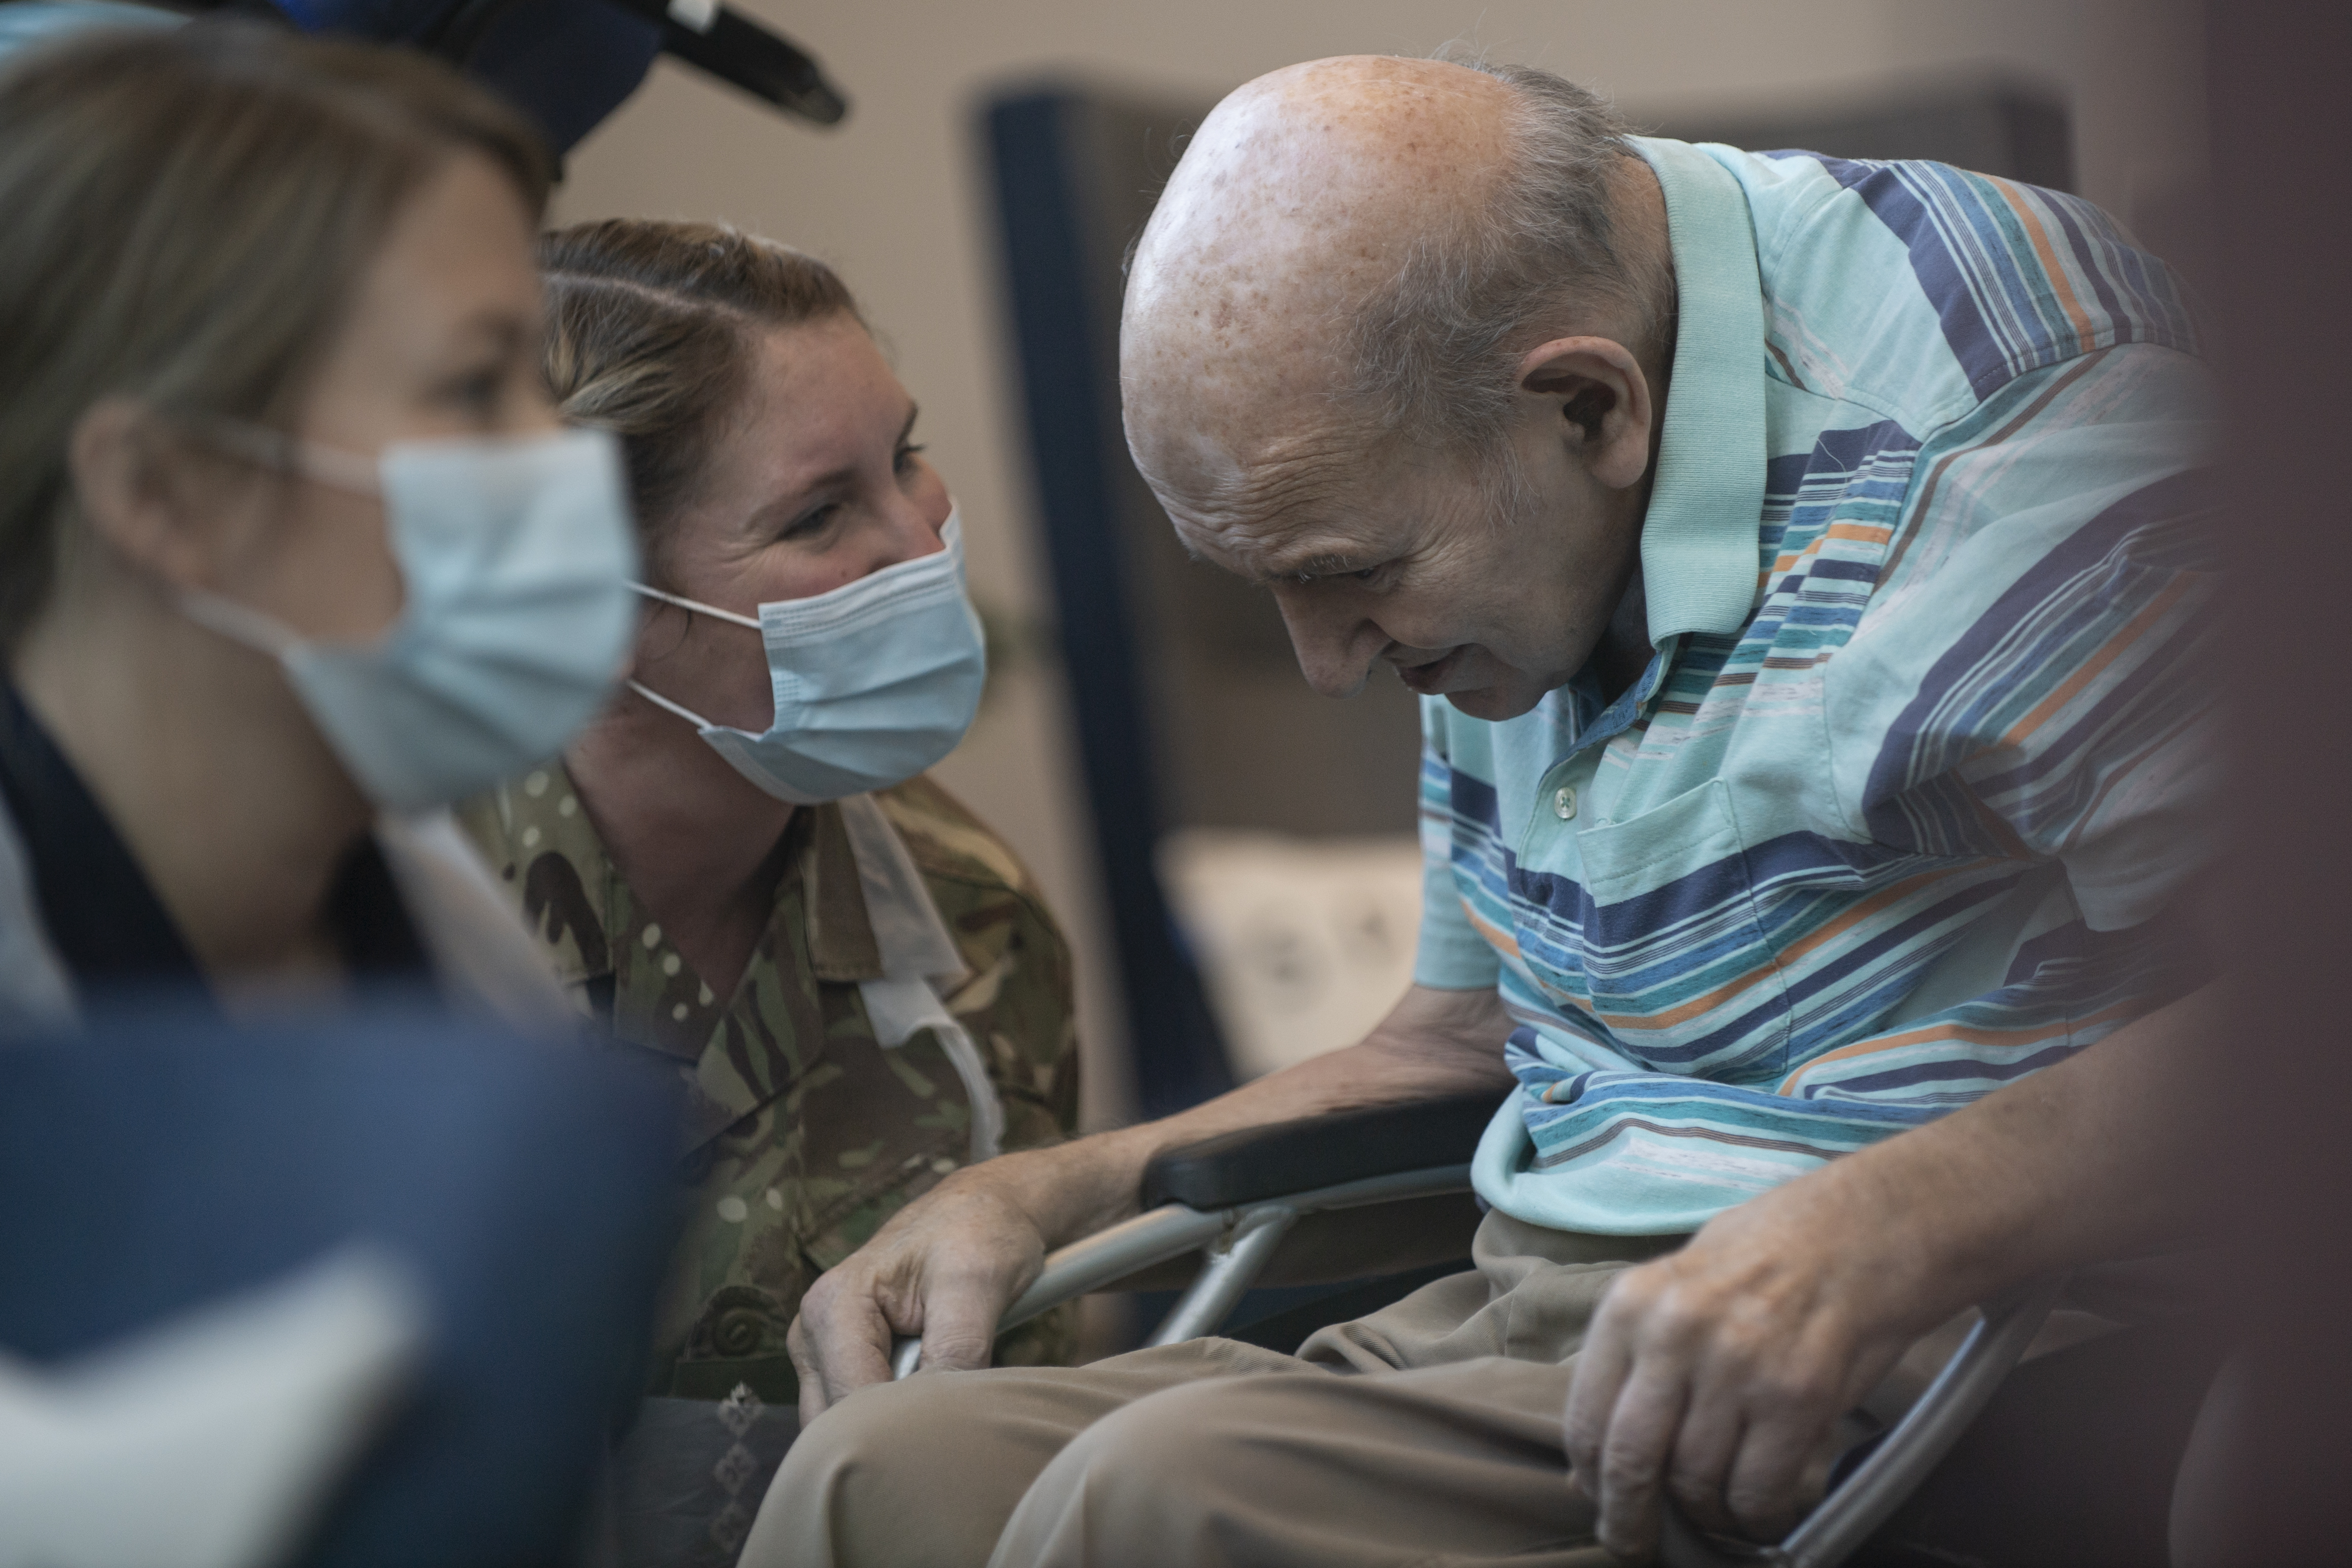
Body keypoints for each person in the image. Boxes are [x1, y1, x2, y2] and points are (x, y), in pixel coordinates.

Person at [756, 53, 2221, 1568]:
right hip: (1528, 1318)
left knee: (1159, 1502)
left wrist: (1896, 1219)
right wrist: (1045, 1187)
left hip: (1915, 1367)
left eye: (1344, 575)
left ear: (1590, 408)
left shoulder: (2010, 459)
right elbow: (1453, 1046)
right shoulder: (1492, 410)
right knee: (884, 1471)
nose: (1322, 670)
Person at [455, 219, 1081, 1473]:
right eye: (817, 514)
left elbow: (1013, 1455)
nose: (922, 548)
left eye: (904, 458)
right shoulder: (376, 930)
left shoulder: (970, 926)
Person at [0, 21, 636, 1034]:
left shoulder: (441, 933)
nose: (559, 454)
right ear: (161, 492)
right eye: (473, 385)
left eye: (538, 385)